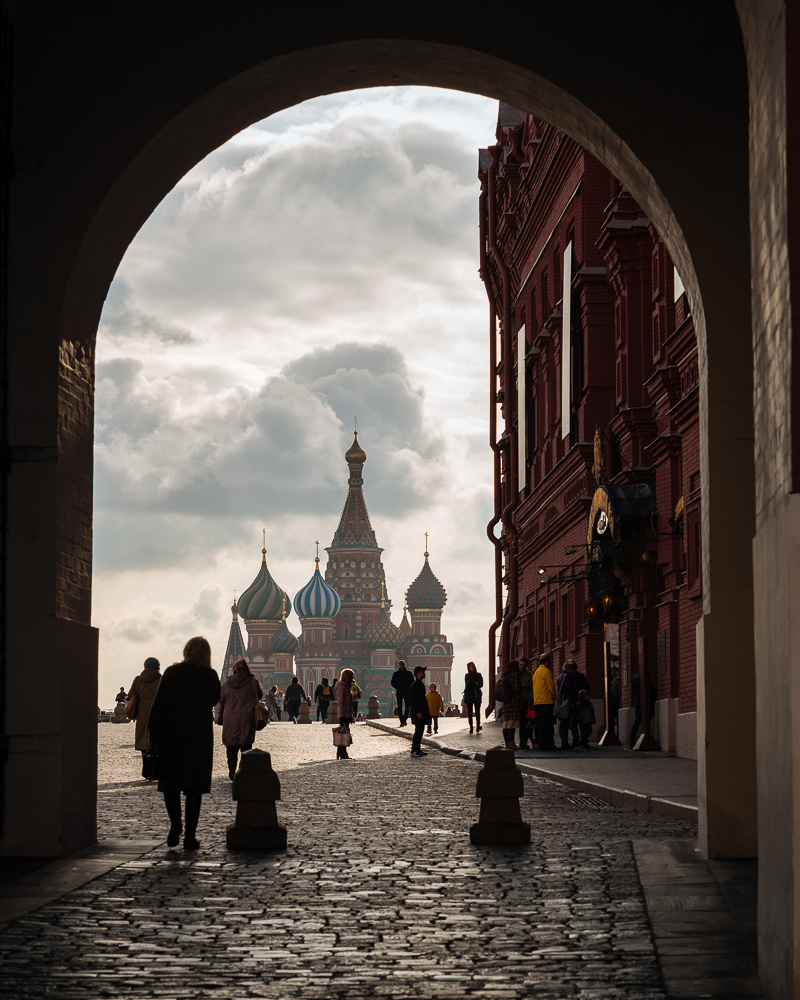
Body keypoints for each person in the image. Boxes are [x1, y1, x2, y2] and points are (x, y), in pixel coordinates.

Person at [147, 636, 221, 850]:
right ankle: (190, 836)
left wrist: (153, 737)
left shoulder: (172, 672)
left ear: (186, 651)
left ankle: (175, 825)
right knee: (194, 788)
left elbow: (158, 705)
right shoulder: (210, 675)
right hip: (199, 736)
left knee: (171, 783)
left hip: (172, 735)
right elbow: (214, 699)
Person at [216, 658, 262, 780]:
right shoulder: (252, 682)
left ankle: (231, 764)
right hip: (248, 717)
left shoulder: (227, 684)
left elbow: (220, 698)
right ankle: (244, 767)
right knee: (246, 745)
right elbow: (260, 695)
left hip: (230, 718)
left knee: (231, 745)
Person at [127, 656, 162, 776]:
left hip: (142, 716)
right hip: (158, 714)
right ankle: (157, 770)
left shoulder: (138, 680)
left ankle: (147, 770)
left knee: (144, 743)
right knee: (157, 742)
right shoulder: (161, 679)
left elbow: (130, 695)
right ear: (158, 667)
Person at [533, 653, 557, 751]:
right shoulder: (546, 672)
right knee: (548, 724)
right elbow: (551, 686)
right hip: (546, 702)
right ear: (546, 661)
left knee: (539, 725)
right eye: (550, 661)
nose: (550, 663)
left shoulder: (536, 672)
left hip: (537, 702)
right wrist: (555, 696)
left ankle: (541, 743)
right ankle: (549, 744)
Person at [556, 660, 580, 750]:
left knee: (563, 723)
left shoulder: (561, 675)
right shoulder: (568, 676)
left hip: (562, 700)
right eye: (574, 669)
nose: (575, 671)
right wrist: (571, 702)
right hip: (567, 702)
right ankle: (564, 743)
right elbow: (568, 690)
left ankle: (564, 742)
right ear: (570, 668)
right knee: (565, 723)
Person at [629, 672, 657, 748]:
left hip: (638, 702)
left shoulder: (634, 678)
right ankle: (646, 739)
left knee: (637, 722)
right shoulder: (644, 676)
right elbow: (649, 689)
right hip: (646, 703)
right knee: (647, 722)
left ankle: (632, 741)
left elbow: (633, 692)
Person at [500, 659, 523, 750]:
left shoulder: (505, 674)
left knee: (506, 725)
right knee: (512, 725)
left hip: (506, 702)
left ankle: (507, 744)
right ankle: (511, 744)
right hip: (513, 702)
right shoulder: (515, 674)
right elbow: (517, 689)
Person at [409, 666, 430, 756]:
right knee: (418, 731)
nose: (424, 674)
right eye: (422, 672)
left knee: (420, 730)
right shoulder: (415, 685)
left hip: (421, 711)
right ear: (417, 673)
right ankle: (414, 750)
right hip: (418, 712)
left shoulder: (419, 684)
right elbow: (415, 700)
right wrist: (418, 712)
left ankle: (417, 749)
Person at [333, 668, 354, 759]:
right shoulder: (342, 687)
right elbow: (341, 702)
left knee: (343, 733)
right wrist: (341, 716)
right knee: (343, 733)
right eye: (351, 676)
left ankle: (341, 753)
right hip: (344, 714)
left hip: (346, 713)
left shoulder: (346, 686)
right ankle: (342, 753)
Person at [391, 660, 413, 726]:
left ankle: (404, 719)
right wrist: (398, 687)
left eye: (403, 664)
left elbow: (412, 682)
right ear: (399, 665)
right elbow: (393, 683)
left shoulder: (409, 673)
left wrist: (409, 688)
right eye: (401, 664)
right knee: (399, 707)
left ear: (404, 665)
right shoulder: (396, 674)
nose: (402, 665)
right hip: (400, 692)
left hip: (407, 693)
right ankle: (401, 721)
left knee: (407, 707)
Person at [463, 661, 483, 733]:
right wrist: (475, 683)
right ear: (468, 668)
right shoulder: (467, 676)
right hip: (469, 695)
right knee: (470, 712)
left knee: (477, 711)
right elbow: (468, 685)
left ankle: (478, 725)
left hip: (477, 695)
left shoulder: (478, 675)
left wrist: (472, 683)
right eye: (470, 666)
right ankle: (471, 727)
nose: (472, 667)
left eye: (472, 666)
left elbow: (481, 684)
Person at [518, 657, 533, 749]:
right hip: (516, 701)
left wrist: (527, 686)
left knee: (524, 723)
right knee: (514, 723)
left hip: (524, 700)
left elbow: (531, 687)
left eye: (524, 665)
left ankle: (523, 743)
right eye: (521, 665)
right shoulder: (515, 673)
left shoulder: (528, 674)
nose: (522, 667)